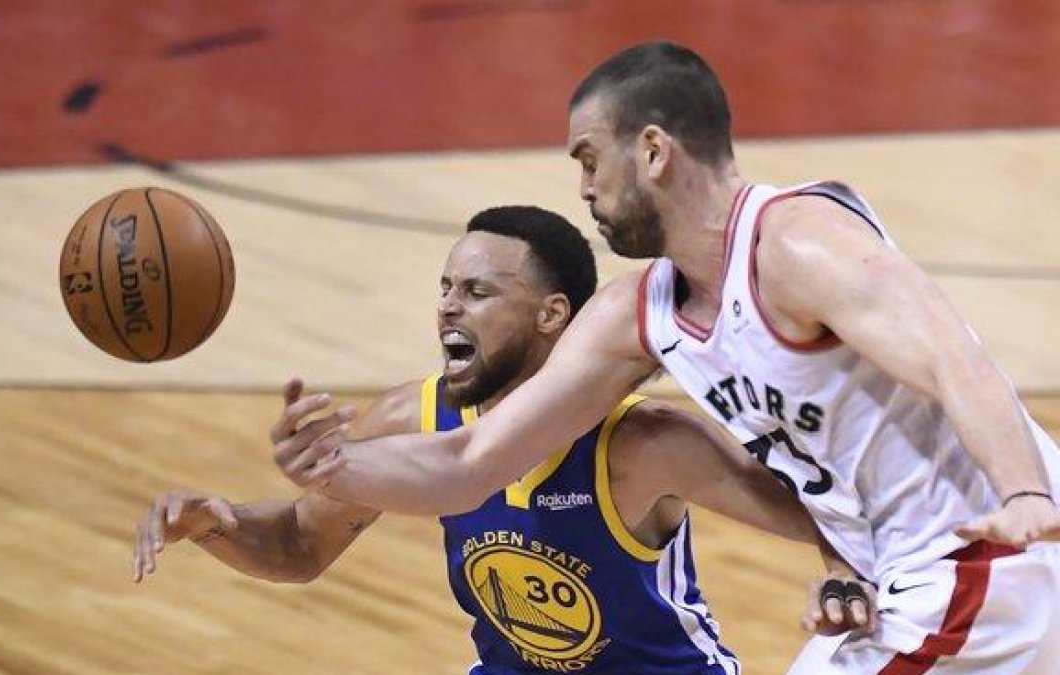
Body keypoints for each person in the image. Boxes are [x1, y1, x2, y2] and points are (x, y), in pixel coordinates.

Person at [283, 43, 1060, 673]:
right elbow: (472, 460)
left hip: (984, 552)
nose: (583, 188)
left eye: (590, 160)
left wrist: (1024, 491)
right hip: (921, 576)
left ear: (653, 151)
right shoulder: (640, 313)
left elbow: (956, 361)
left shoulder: (796, 245)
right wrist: (337, 464)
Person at [132, 206, 869, 674]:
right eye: (445, 288)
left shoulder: (641, 444)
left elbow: (821, 510)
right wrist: (216, 523)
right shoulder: (412, 417)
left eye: (477, 292)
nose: (448, 307)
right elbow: (298, 545)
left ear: (553, 315)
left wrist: (839, 568)